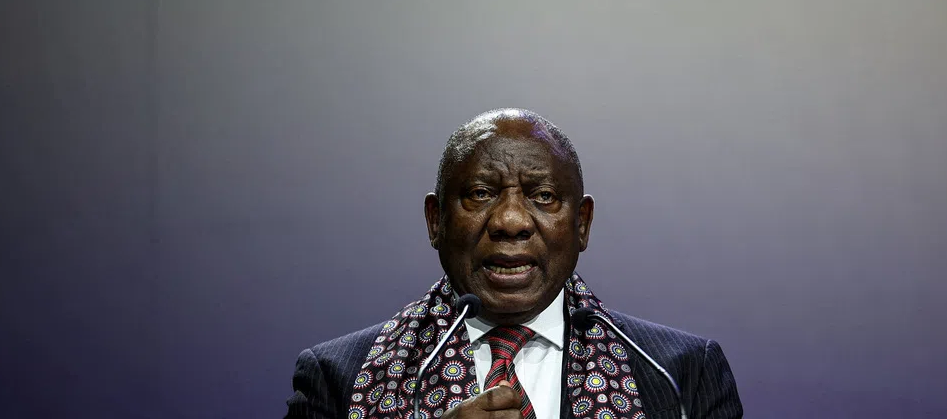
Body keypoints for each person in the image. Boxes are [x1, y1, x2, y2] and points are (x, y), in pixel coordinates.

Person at [285, 108, 744, 419]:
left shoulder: (682, 375)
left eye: (543, 196)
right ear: (435, 221)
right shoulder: (335, 378)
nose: (509, 221)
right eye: (481, 194)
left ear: (581, 224)